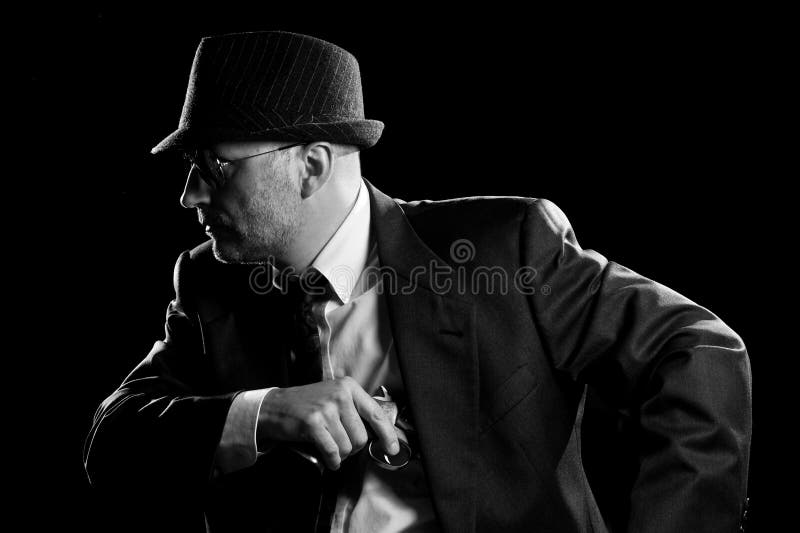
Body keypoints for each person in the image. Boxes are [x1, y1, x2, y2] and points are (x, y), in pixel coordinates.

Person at [83, 30, 752, 532]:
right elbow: (112, 441)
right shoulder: (210, 284)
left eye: (212, 167)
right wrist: (262, 414)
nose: (187, 196)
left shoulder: (508, 249)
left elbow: (698, 350)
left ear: (311, 167)